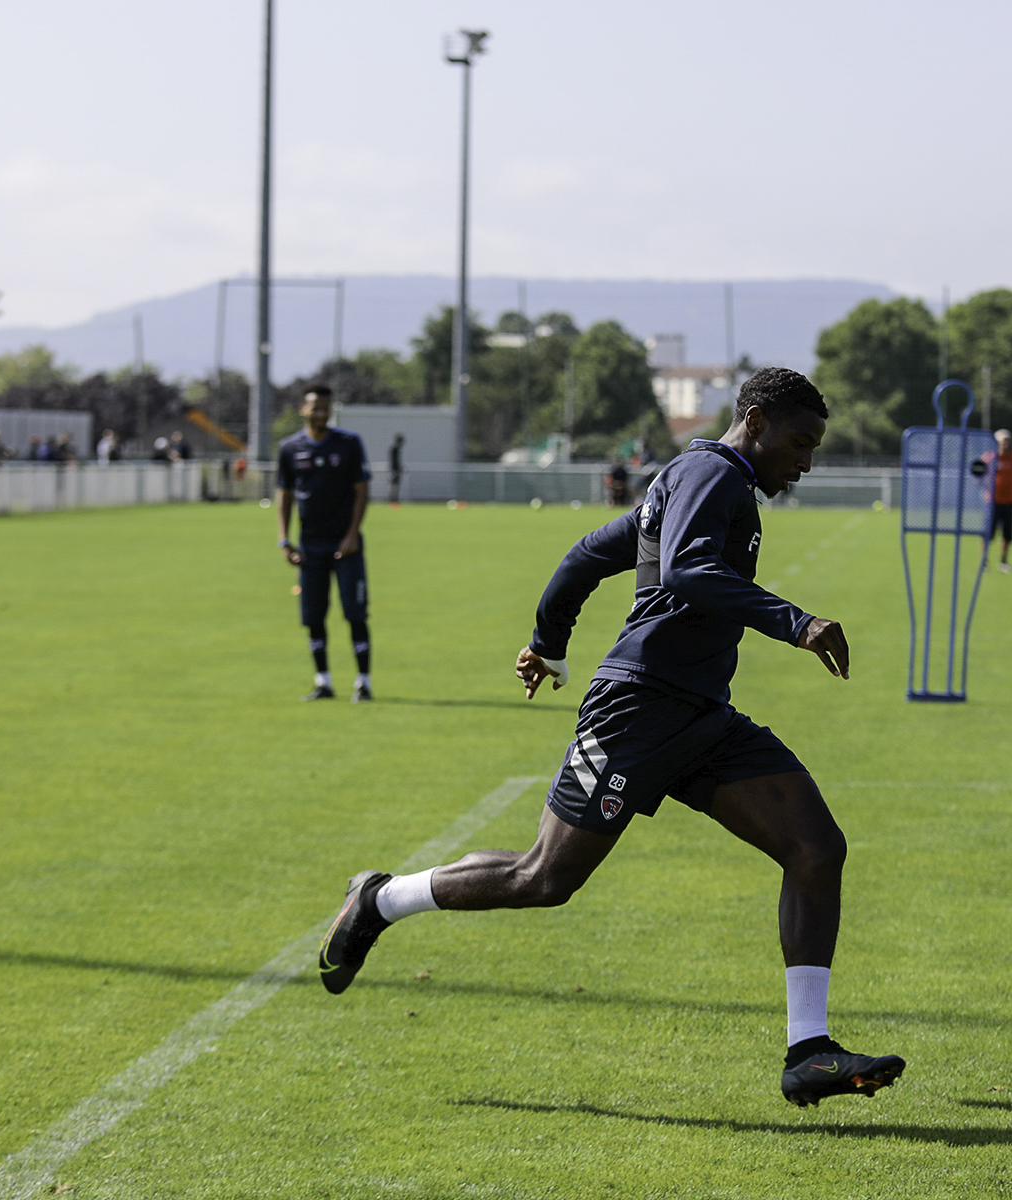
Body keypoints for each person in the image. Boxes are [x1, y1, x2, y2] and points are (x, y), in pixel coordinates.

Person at [315, 367, 906, 1109]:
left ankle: (807, 1049)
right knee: (544, 878)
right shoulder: (711, 474)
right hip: (636, 710)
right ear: (754, 422)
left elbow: (591, 554)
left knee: (816, 848)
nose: (807, 462)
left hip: (699, 717)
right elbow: (689, 573)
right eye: (799, 443)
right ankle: (381, 900)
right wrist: (799, 622)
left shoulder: (688, 478)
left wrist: (549, 642)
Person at [274, 387, 374, 702]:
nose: (320, 413)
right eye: (314, 407)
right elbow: (284, 495)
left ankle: (363, 683)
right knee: (314, 617)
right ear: (302, 409)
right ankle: (324, 682)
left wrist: (351, 534)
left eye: (325, 408)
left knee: (355, 614)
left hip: (346, 547)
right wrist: (284, 540)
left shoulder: (347, 443)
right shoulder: (289, 448)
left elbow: (361, 490)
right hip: (310, 547)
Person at [980, 428, 1012, 572]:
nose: (1005, 444)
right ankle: (984, 562)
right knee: (987, 533)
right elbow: (977, 473)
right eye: (1002, 441)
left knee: (1007, 535)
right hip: (992, 502)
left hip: (1009, 501)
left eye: (1007, 441)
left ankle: (1003, 562)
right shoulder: (989, 457)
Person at [387, 433, 404, 505]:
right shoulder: (395, 449)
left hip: (395, 470)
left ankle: (394, 500)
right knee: (394, 486)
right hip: (394, 470)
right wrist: (396, 469)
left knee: (395, 486)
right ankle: (392, 500)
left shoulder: (396, 449)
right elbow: (394, 461)